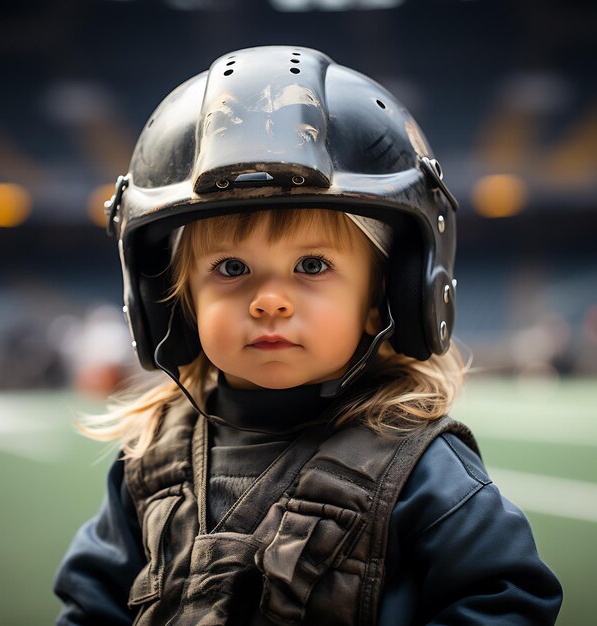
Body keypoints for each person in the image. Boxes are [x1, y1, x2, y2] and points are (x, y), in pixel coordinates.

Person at [54, 46, 562, 625]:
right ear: (176, 303)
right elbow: (91, 607)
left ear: (384, 299)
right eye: (231, 269)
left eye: (313, 266)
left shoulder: (421, 470)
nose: (269, 299)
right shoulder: (149, 462)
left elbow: (508, 603)